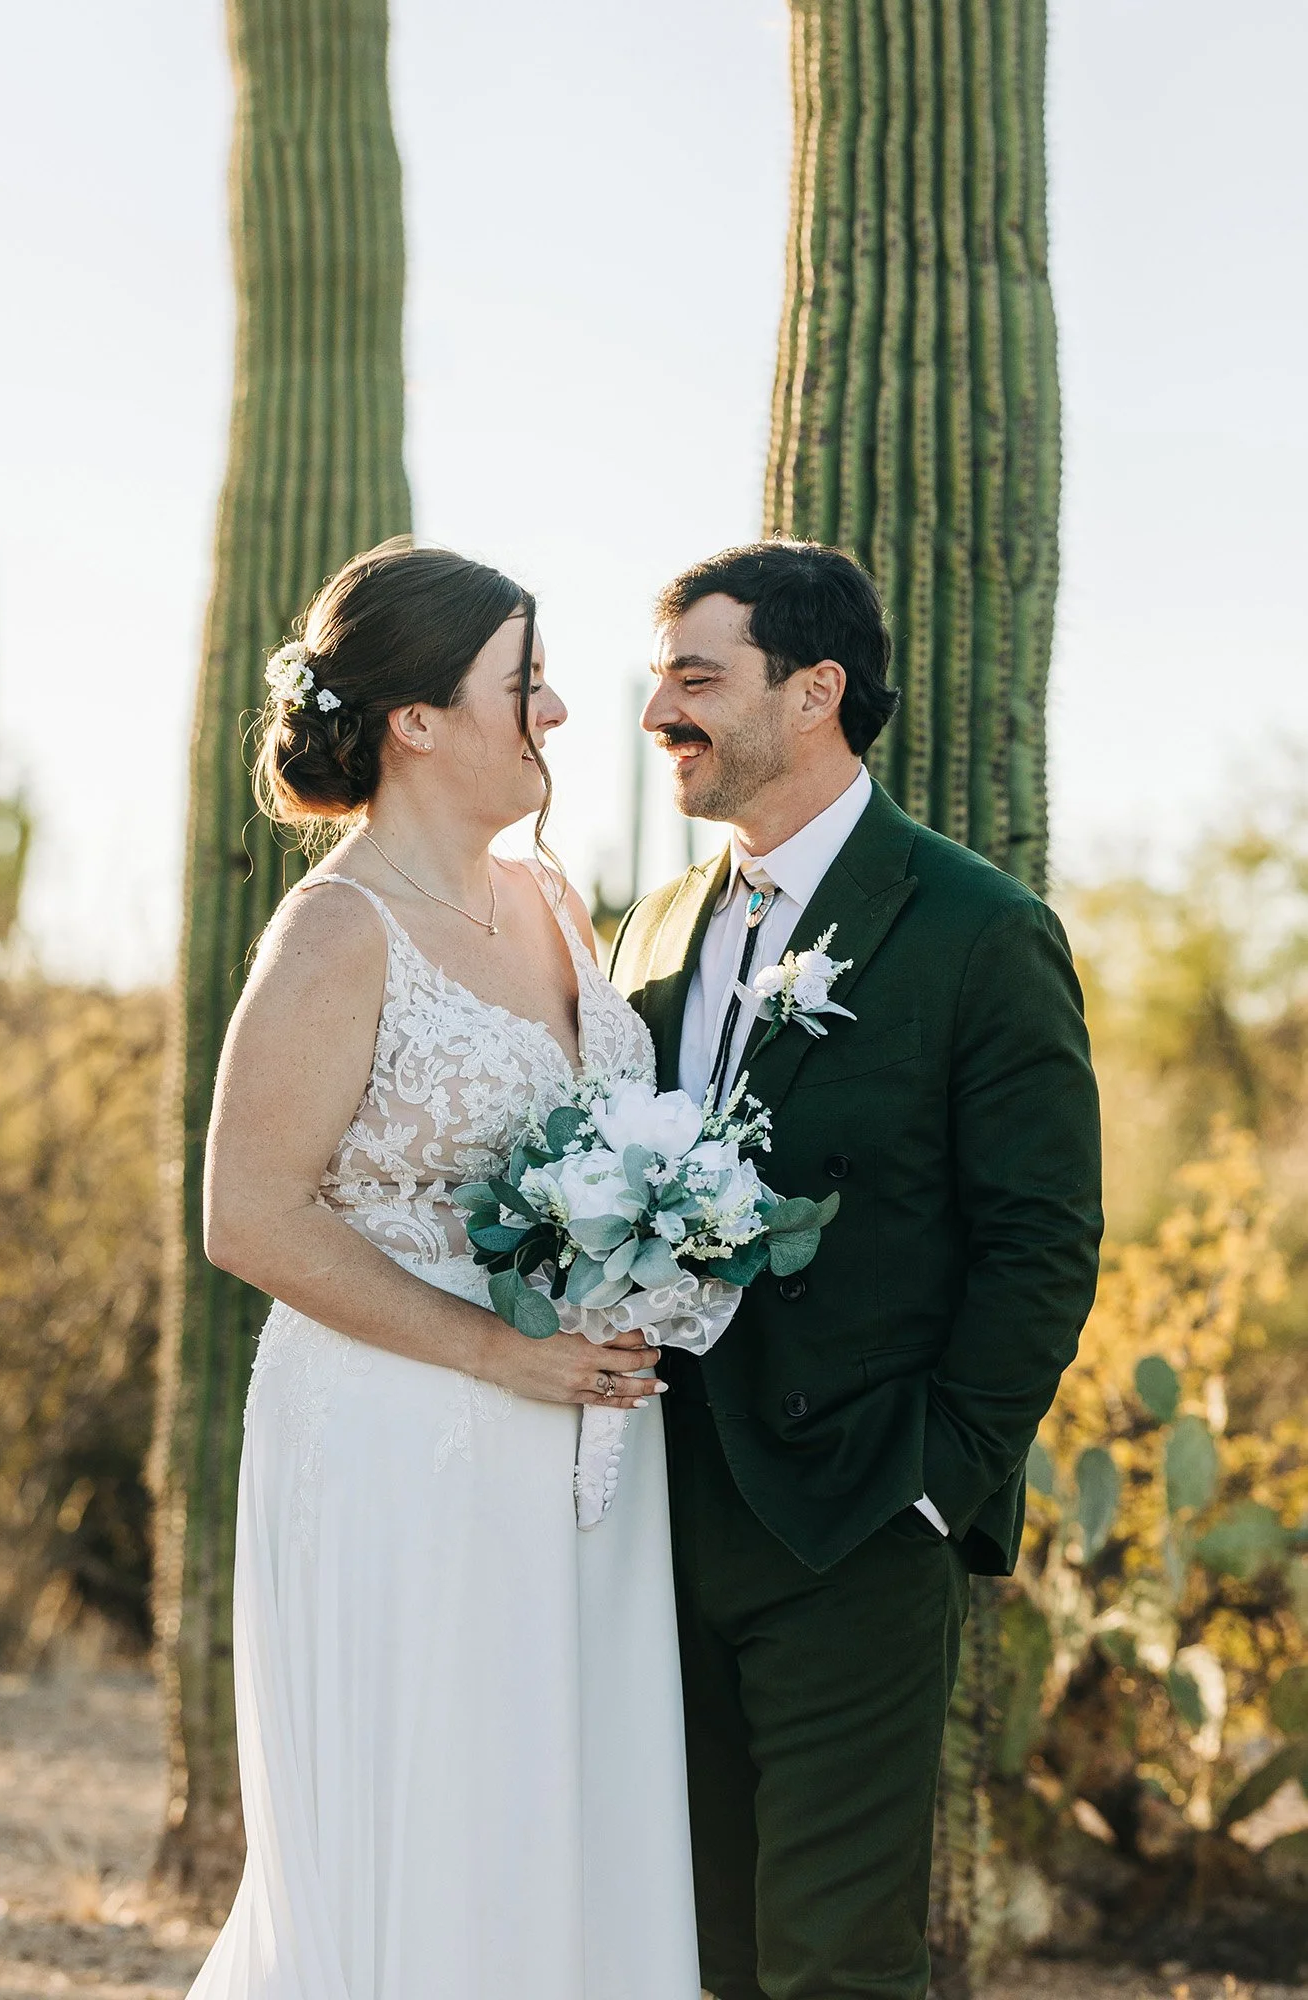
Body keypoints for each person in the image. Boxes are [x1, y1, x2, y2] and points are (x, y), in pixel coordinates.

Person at [187, 538, 701, 2000]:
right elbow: (249, 1216)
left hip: (585, 1439)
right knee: (442, 1826)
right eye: (523, 684)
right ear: (417, 720)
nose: (553, 713)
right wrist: (497, 1354)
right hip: (400, 1439)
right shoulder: (335, 932)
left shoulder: (547, 898)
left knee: (566, 1815)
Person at [609, 538, 1104, 2000]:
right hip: (647, 1516)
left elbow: (1043, 1241)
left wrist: (937, 1481)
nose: (659, 718)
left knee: (833, 1961)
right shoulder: (652, 926)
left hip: (852, 1519)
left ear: (816, 689)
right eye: (659, 682)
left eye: (697, 681)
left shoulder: (977, 933)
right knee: (694, 1942)